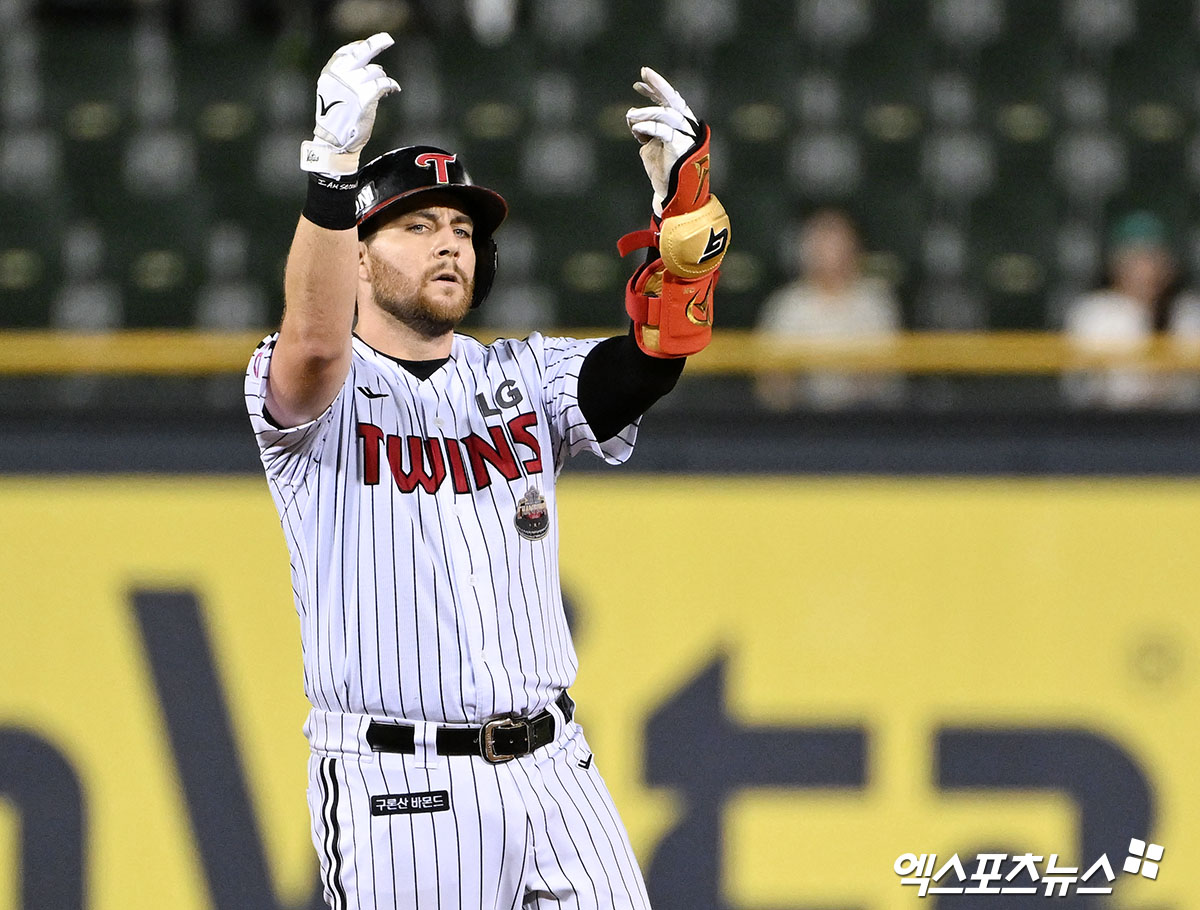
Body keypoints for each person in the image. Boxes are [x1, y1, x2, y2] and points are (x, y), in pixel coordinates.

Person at [243, 33, 729, 909]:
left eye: (462, 228)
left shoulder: (523, 378)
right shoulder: (317, 394)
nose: (450, 244)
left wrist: (681, 223)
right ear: (354, 255)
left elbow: (651, 361)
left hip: (555, 772)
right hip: (402, 784)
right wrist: (332, 171)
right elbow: (313, 344)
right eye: (418, 225)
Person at [754, 209, 904, 410]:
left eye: (837, 242)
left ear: (854, 249)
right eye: (821, 242)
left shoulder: (874, 302)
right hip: (799, 420)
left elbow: (884, 375)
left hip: (867, 419)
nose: (829, 252)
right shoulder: (788, 304)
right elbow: (771, 379)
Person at [1063, 210, 1200, 408]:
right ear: (1116, 264)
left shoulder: (1190, 312)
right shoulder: (1093, 312)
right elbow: (1080, 388)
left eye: (1154, 258)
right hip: (1112, 426)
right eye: (1136, 259)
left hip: (1182, 427)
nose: (1147, 269)